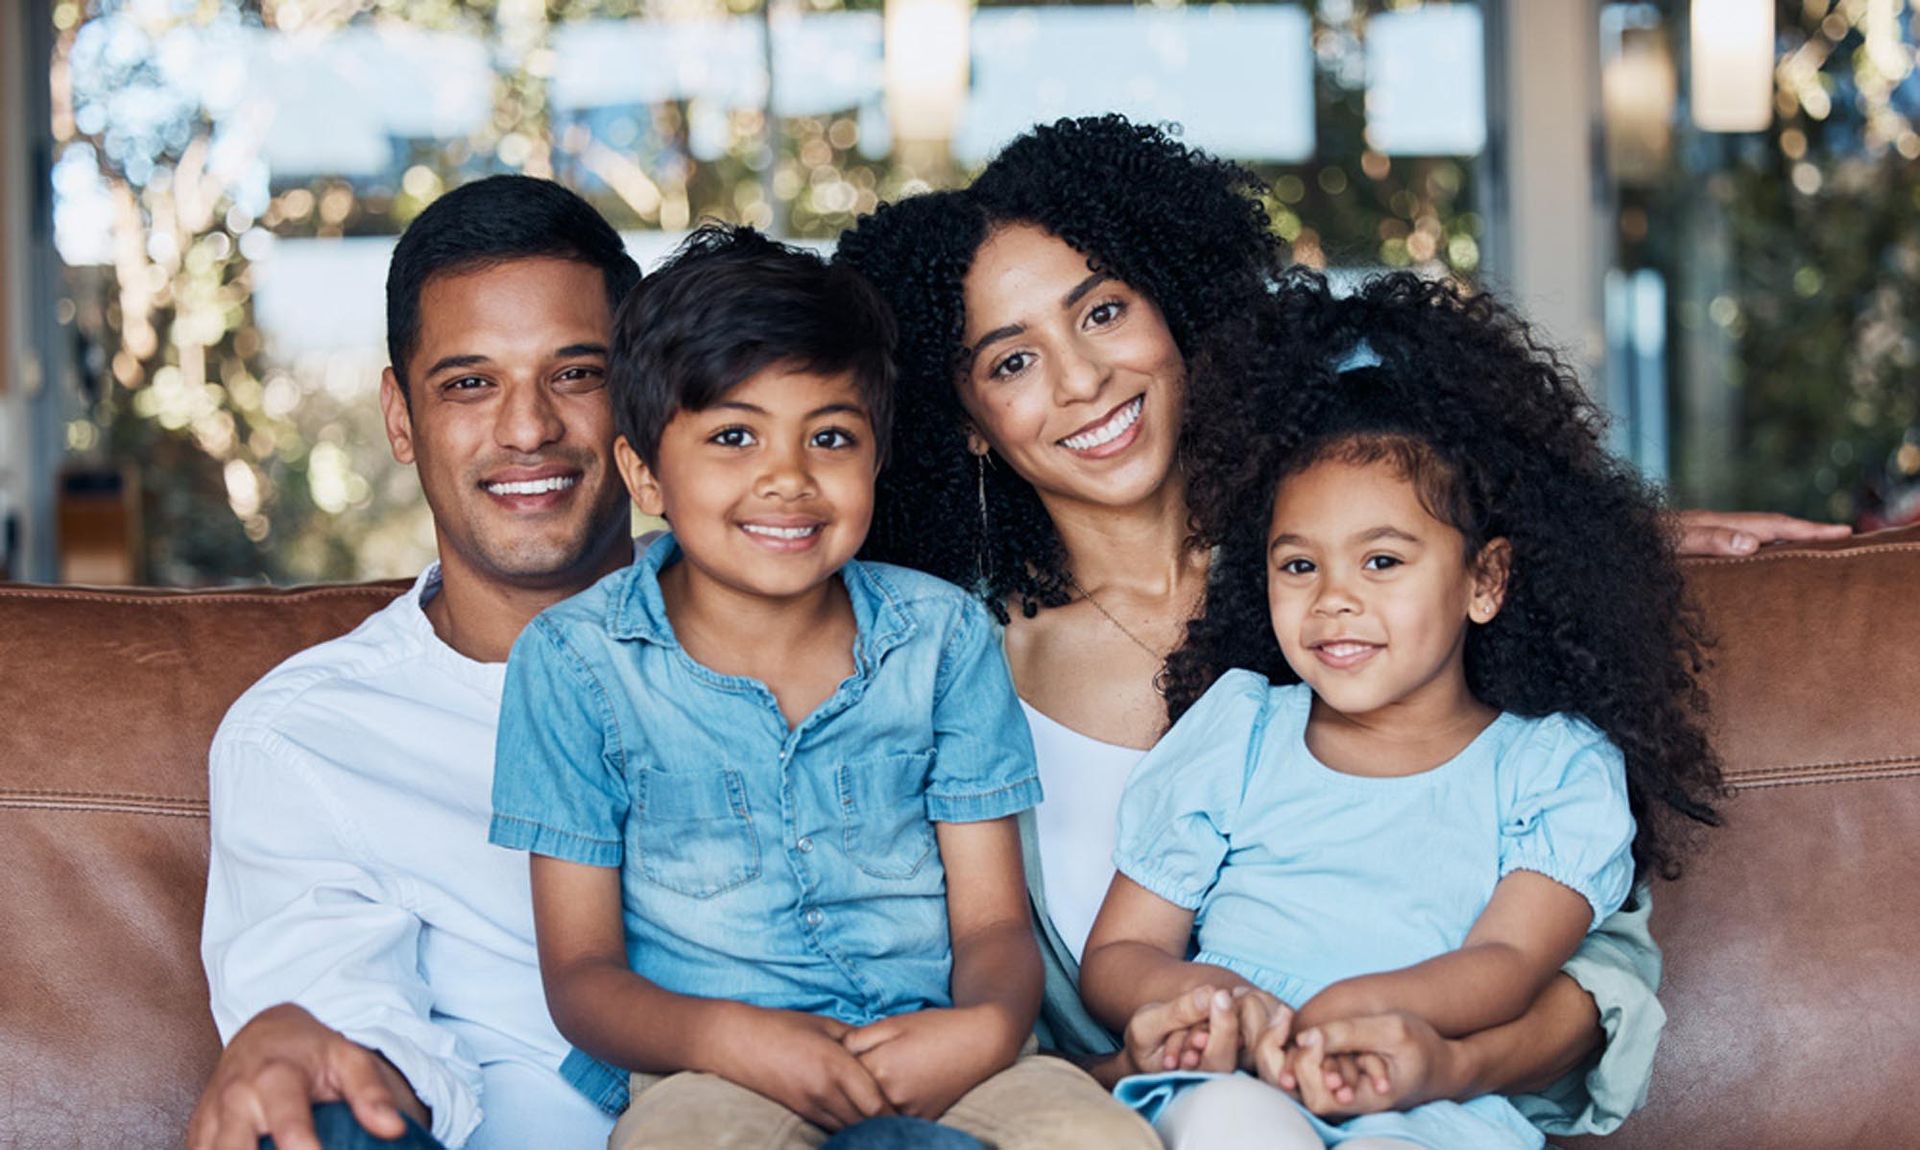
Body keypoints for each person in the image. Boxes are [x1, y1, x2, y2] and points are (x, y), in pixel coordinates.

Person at [833, 114, 1847, 1140]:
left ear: (1174, 306)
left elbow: (1595, 965)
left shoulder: (1359, 582)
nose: (1081, 378)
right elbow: (948, 1020)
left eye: (1102, 312)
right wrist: (1130, 1067)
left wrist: (1433, 1059)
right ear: (960, 416)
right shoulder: (933, 666)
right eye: (1011, 362)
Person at [190, 183, 950, 1150]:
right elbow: (344, 1028)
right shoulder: (309, 737)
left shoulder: (856, 648)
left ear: (638, 399)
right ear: (399, 415)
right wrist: (295, 1042)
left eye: (575, 374)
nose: (526, 429)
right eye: (469, 383)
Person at [486, 223, 1158, 1150]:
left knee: (1105, 1141)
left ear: (877, 456)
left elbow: (995, 922)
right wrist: (732, 1038)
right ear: (644, 471)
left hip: (946, 1058)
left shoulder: (941, 637)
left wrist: (985, 1030)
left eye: (830, 436)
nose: (788, 480)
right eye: (733, 436)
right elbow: (583, 976)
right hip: (712, 1073)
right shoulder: (573, 663)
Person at [1078, 271, 1724, 1149]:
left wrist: (1364, 1010)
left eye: (1382, 562)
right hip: (1233, 1076)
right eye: (1298, 565)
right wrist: (1198, 1000)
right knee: (1235, 1123)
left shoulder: (1554, 765)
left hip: (1423, 1098)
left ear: (1484, 581)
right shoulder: (1239, 728)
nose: (1333, 600)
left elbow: (1507, 964)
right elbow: (1119, 956)